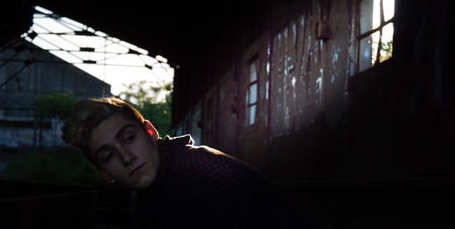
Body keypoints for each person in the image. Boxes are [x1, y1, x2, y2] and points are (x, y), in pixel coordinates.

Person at [61, 97, 312, 228]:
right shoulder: (161, 182)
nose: (127, 157)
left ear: (150, 132)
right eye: (109, 156)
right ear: (105, 173)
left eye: (128, 138)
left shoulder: (193, 175)